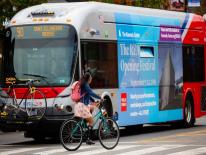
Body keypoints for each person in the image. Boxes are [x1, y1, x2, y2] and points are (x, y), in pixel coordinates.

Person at [74, 72, 101, 145]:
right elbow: (91, 93)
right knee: (92, 121)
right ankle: (88, 139)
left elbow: (88, 95)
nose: (91, 79)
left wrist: (94, 101)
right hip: (82, 106)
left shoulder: (84, 84)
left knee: (92, 108)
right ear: (89, 79)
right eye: (91, 78)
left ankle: (86, 124)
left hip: (80, 105)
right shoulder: (86, 85)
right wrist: (100, 97)